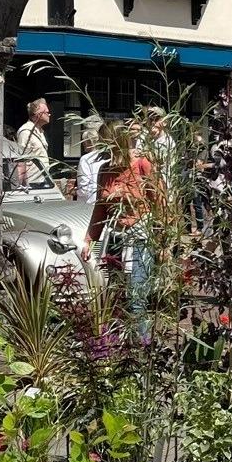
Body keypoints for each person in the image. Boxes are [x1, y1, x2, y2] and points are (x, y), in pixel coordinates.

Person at [85, 123, 159, 321]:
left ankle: (142, 345)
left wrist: (164, 241)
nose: (102, 149)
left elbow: (160, 202)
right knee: (115, 294)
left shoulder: (142, 165)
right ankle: (118, 344)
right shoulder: (104, 170)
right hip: (115, 238)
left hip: (139, 237)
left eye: (106, 144)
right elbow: (101, 208)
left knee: (136, 298)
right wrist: (89, 240)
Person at [14, 97, 53, 188]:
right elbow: (21, 159)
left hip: (43, 180)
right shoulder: (26, 131)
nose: (49, 114)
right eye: (46, 112)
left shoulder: (40, 131)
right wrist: (22, 185)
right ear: (37, 114)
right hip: (33, 183)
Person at [74, 124, 106, 206]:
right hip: (103, 200)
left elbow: (83, 188)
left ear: (88, 142)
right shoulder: (105, 156)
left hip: (88, 202)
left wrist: (75, 192)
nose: (83, 144)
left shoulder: (85, 159)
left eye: (84, 141)